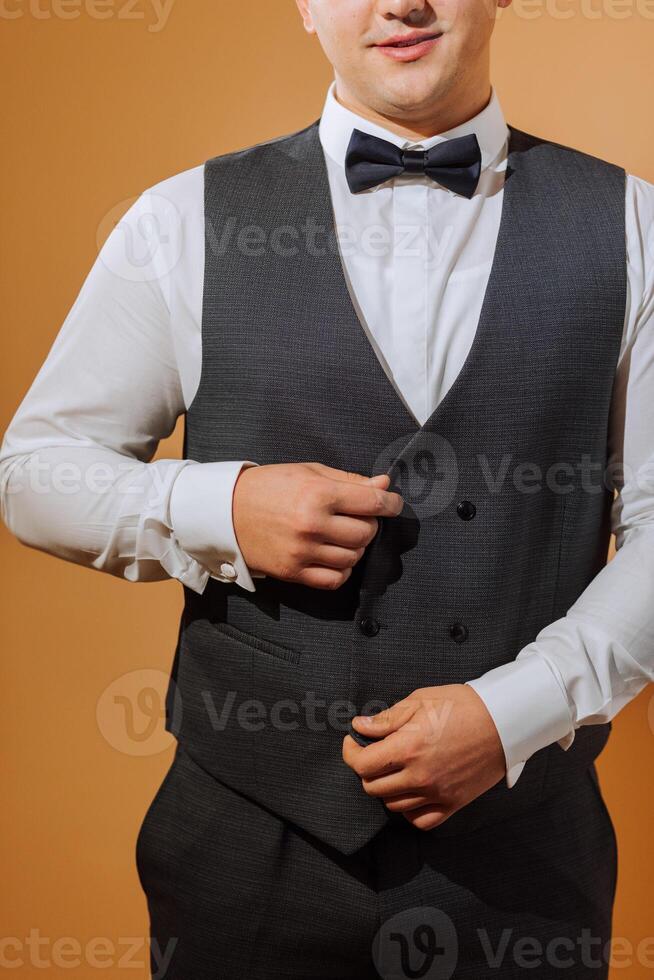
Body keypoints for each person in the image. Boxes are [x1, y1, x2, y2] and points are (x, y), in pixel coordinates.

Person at [2, 0, 653, 977]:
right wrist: (218, 507)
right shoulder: (181, 221)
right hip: (242, 856)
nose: (401, 3)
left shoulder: (636, 226)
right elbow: (33, 474)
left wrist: (520, 708)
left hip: (527, 868)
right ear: (306, 5)